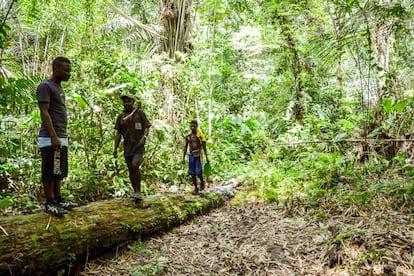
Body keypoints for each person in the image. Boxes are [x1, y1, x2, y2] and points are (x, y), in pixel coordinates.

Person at [37, 56, 77, 216]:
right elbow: (44, 112)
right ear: (55, 69)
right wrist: (53, 136)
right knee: (49, 170)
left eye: (70, 70)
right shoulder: (45, 86)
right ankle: (49, 202)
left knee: (58, 169)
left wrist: (62, 136)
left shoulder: (59, 88)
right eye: (65, 70)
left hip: (60, 135)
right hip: (49, 137)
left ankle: (58, 199)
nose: (68, 73)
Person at [113, 93, 151, 204]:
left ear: (132, 102)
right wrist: (115, 148)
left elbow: (147, 127)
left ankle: (138, 191)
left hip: (138, 146)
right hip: (127, 148)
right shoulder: (121, 117)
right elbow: (118, 133)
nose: (126, 103)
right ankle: (135, 193)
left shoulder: (139, 113)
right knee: (131, 169)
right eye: (124, 102)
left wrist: (144, 137)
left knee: (135, 165)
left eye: (128, 101)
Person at [182, 120, 209, 194]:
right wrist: (183, 158)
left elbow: (204, 147)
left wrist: (207, 157)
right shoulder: (188, 137)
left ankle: (202, 182)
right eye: (191, 126)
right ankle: (196, 188)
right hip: (191, 155)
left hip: (197, 155)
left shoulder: (200, 136)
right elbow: (185, 147)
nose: (192, 127)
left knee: (198, 172)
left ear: (197, 126)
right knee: (192, 173)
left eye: (194, 126)